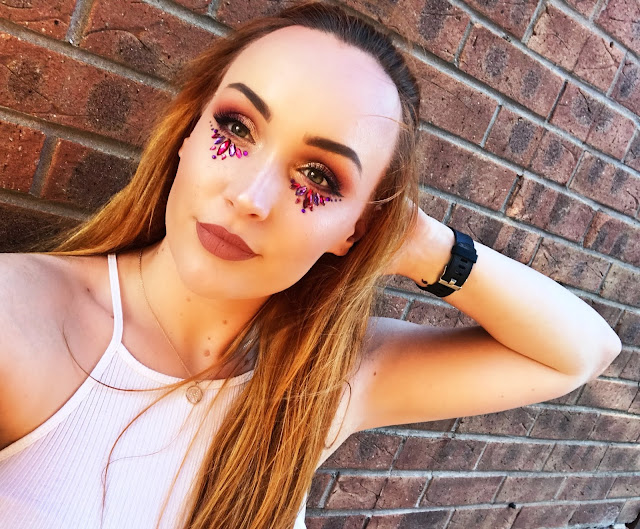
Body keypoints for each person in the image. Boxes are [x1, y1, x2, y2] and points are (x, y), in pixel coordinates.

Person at [0, 2, 622, 529]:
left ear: (354, 230)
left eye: (320, 177)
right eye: (236, 128)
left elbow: (580, 352)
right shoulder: (21, 319)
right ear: (187, 135)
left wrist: (419, 243)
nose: (251, 196)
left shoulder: (320, 384)